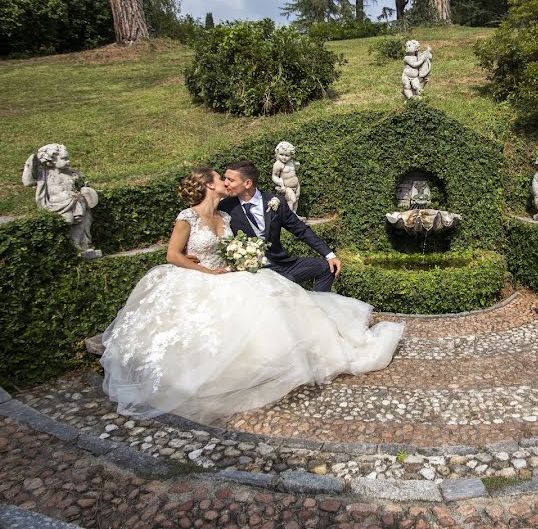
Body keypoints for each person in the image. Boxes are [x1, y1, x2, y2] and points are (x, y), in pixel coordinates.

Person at [100, 167, 404, 424]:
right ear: (209, 185)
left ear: (247, 183)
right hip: (201, 279)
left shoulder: (227, 215)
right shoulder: (188, 217)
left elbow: (293, 229)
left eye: (228, 178)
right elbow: (173, 255)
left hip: (236, 275)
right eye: (221, 179)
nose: (225, 182)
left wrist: (325, 253)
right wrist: (207, 272)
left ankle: (308, 335)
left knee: (276, 309)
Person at [220, 160, 339, 292]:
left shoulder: (276, 201)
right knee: (285, 285)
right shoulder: (225, 207)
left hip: (280, 264)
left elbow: (300, 229)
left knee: (327, 267)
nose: (225, 183)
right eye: (225, 178)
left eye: (230, 180)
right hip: (251, 271)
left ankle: (318, 308)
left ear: (248, 183)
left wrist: (329, 255)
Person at [271, 141, 301, 214]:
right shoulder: (278, 164)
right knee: (292, 200)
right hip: (286, 187)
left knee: (296, 200)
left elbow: (294, 172)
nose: (284, 157)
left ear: (291, 155)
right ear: (277, 154)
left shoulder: (291, 162)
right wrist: (280, 183)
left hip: (296, 185)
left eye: (287, 155)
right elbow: (274, 176)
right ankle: (288, 218)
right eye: (281, 154)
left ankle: (294, 215)